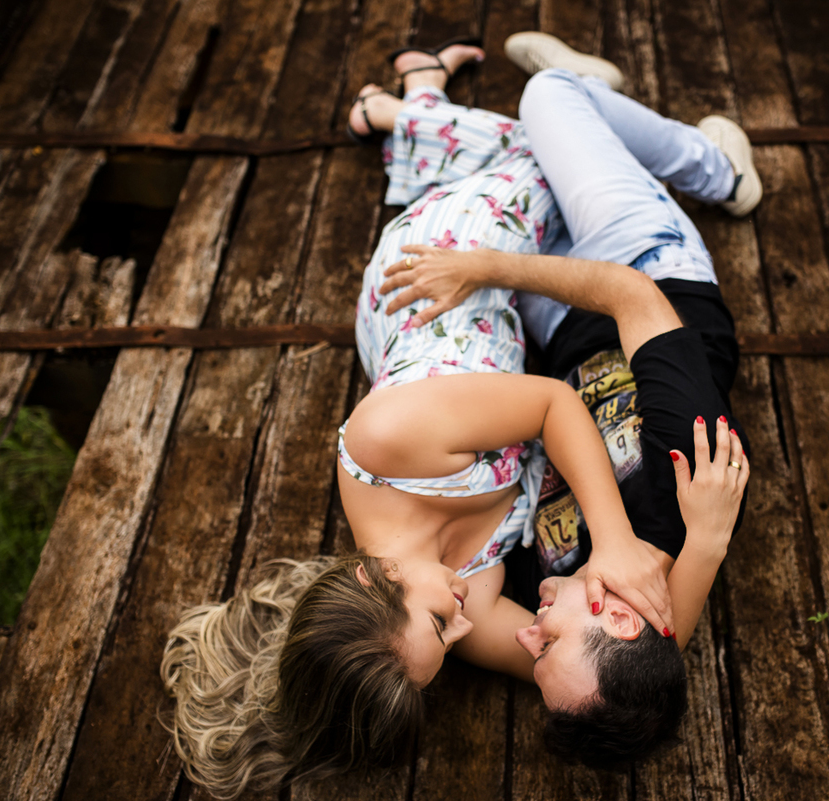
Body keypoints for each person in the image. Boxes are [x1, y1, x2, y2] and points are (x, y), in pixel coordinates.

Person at [161, 40, 682, 799]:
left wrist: (614, 539)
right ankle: (417, 96)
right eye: (448, 643)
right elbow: (623, 668)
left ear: (377, 574)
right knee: (537, 163)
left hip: (436, 283)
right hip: (466, 352)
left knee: (545, 144)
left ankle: (407, 112)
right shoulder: (446, 599)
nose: (470, 626)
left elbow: (552, 403)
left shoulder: (384, 445)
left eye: (441, 626)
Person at [375, 36, 757, 768]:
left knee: (453, 215)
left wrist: (699, 566)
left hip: (551, 327)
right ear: (619, 615)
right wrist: (486, 268)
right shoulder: (689, 486)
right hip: (643, 266)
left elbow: (655, 645)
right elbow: (631, 298)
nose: (528, 635)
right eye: (546, 642)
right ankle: (724, 170)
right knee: (546, 100)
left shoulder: (547, 583)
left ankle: (417, 104)